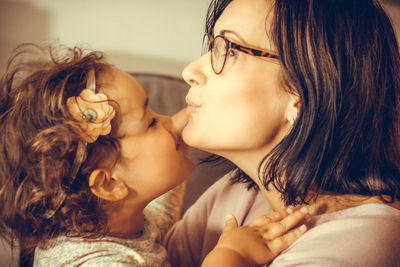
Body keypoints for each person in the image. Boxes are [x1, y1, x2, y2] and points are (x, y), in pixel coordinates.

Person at [0, 44, 308, 266]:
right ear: (108, 184)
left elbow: (165, 196)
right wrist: (232, 257)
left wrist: (201, 111)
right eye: (150, 122)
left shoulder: (130, 220)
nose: (167, 123)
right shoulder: (95, 263)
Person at [164, 0, 400, 266]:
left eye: (228, 49)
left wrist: (232, 257)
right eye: (211, 46)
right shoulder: (238, 191)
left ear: (299, 90)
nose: (190, 72)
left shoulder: (364, 245)